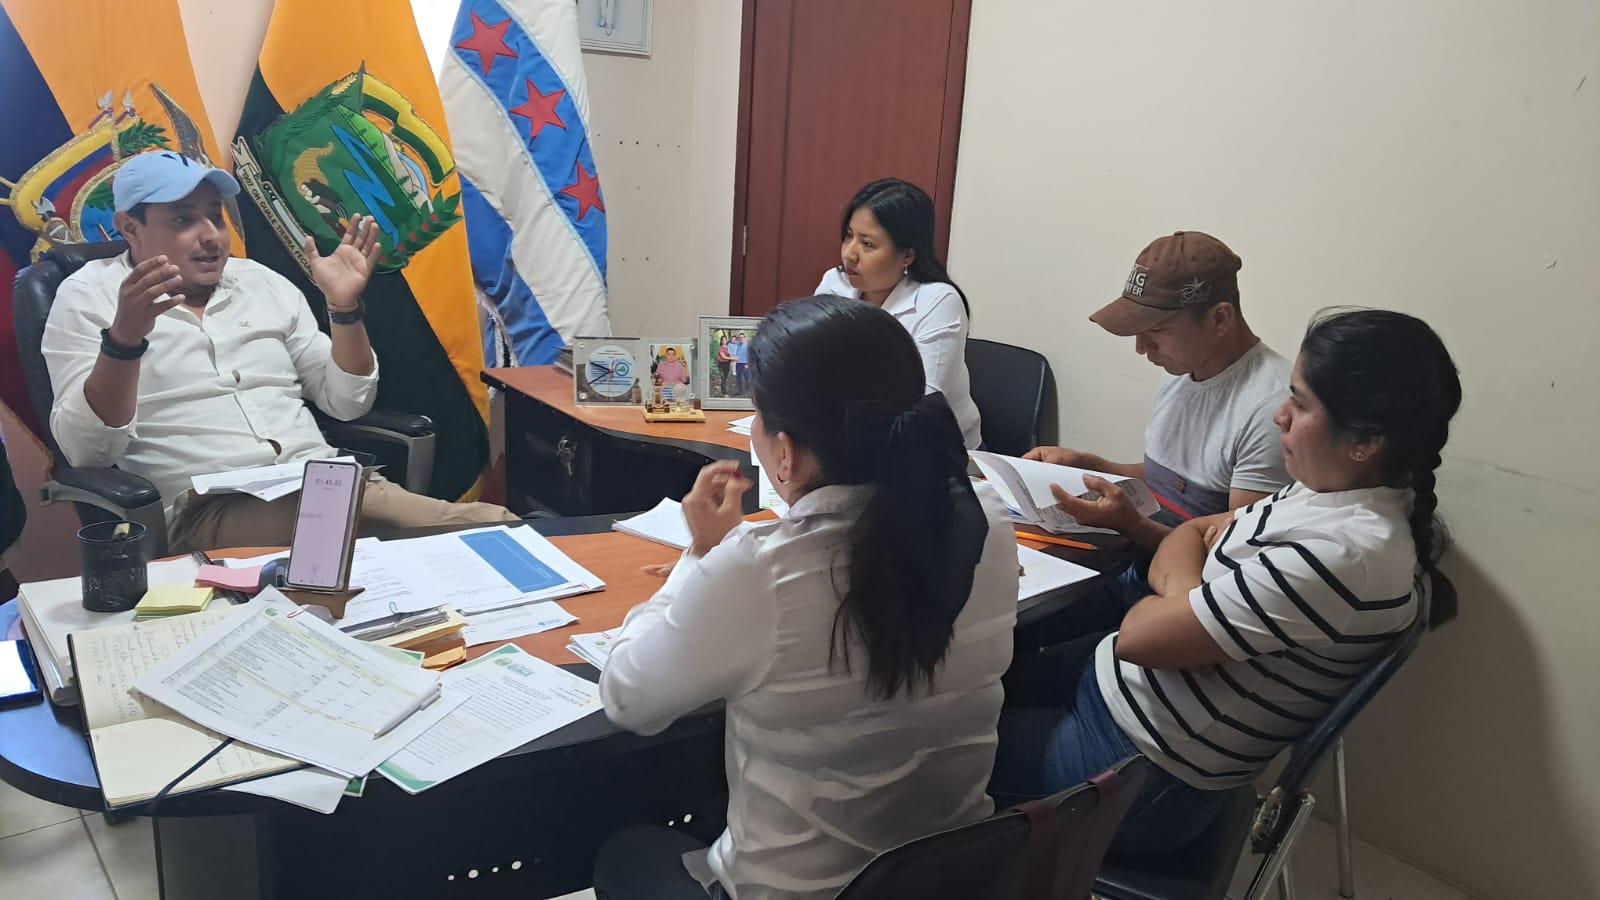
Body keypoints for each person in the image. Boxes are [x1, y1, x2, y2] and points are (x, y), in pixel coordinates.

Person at [989, 308, 1462, 855]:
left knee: (933, 751)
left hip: (1140, 765)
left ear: (1366, 441)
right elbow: (1190, 533)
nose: (1279, 416)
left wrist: (1179, 600)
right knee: (976, 689)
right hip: (1117, 690)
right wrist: (1190, 600)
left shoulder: (1345, 553)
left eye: (1300, 404)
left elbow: (1141, 635)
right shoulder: (1325, 489)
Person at [592, 296, 1019, 900]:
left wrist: (703, 554)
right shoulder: (988, 523)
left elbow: (628, 698)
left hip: (806, 891)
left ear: (785, 452)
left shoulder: (762, 568)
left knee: (626, 851)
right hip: (947, 875)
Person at [42, 150, 516, 553]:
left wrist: (343, 309)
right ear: (130, 227)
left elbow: (347, 401)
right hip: (207, 509)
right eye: (184, 220)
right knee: (464, 532)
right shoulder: (89, 298)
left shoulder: (261, 283)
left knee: (426, 546)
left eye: (215, 215)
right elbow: (87, 452)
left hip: (324, 483)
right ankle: (510, 532)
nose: (210, 236)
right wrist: (124, 342)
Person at [1028, 231, 1291, 550]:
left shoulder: (1271, 410)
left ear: (1219, 318)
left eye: (1157, 330)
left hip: (1187, 576)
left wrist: (1131, 525)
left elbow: (1235, 556)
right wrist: (1086, 465)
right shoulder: (1182, 369)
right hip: (1145, 554)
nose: (1142, 348)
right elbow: (1170, 483)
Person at [815, 178, 982, 449]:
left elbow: (921, 405)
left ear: (907, 255)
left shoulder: (938, 301)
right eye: (848, 236)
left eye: (867, 244)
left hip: (936, 451)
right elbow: (807, 363)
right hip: (848, 439)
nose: (849, 254)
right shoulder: (835, 284)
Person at [730, 330, 750, 394]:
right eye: (739, 337)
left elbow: (750, 355)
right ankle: (740, 391)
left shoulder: (747, 345)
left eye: (742, 337)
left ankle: (748, 391)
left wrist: (747, 364)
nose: (741, 338)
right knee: (738, 378)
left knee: (747, 378)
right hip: (738, 364)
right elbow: (730, 341)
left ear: (744, 338)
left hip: (745, 364)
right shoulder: (737, 344)